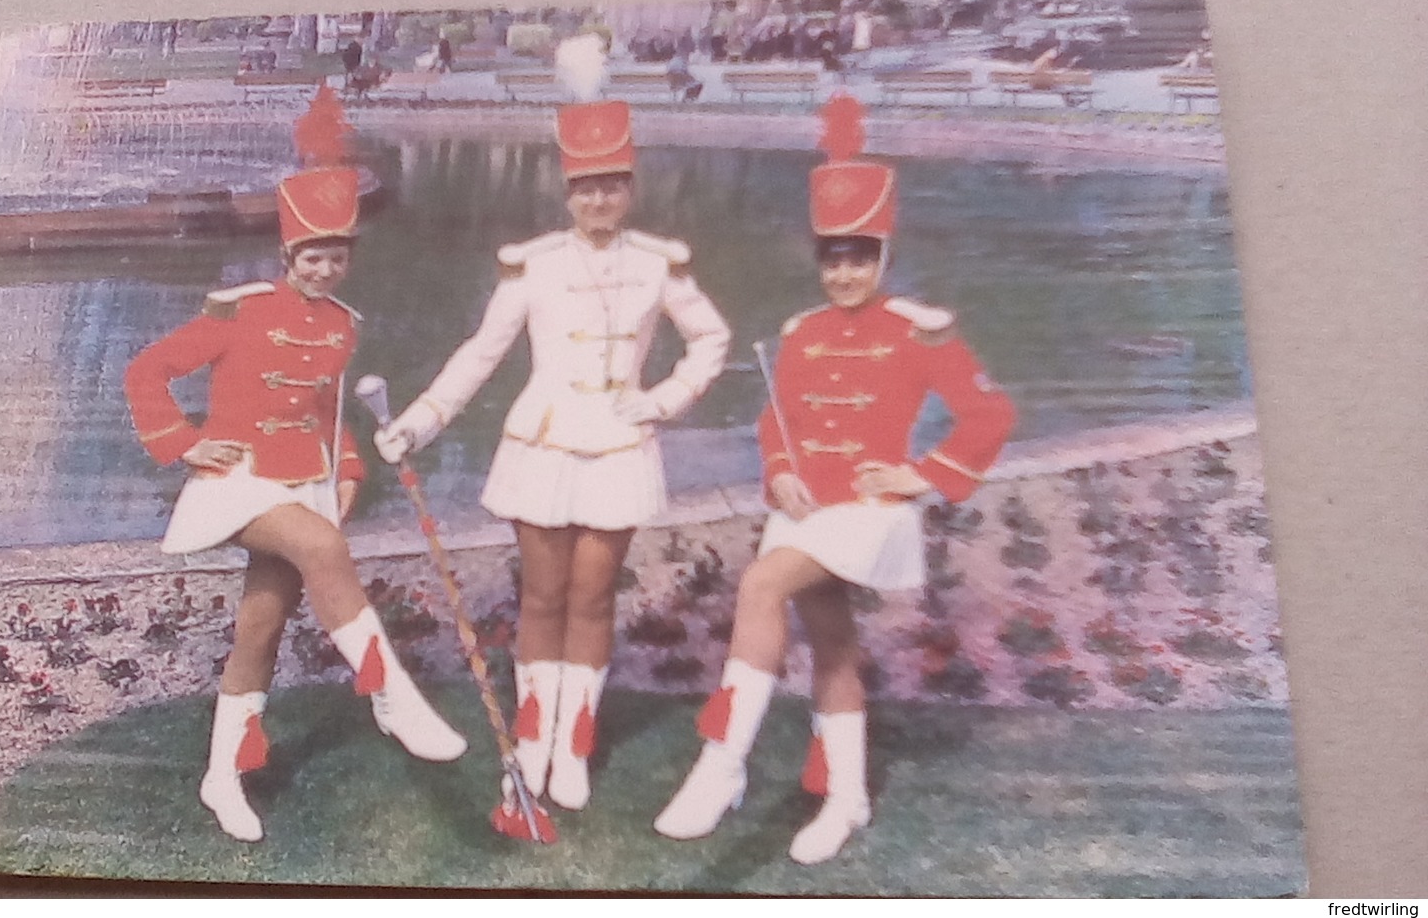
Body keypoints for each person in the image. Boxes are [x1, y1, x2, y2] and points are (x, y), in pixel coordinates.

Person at [654, 93, 1015, 864]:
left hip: (869, 506)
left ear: (883, 256)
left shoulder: (919, 331)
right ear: (816, 258)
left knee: (759, 586)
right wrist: (778, 471)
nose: (844, 272)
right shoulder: (800, 334)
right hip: (806, 508)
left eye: (860, 256)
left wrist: (919, 475)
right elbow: (771, 422)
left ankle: (721, 765)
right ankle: (847, 799)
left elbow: (988, 418)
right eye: (832, 257)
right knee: (832, 643)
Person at [124, 88, 466, 844]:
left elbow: (325, 409)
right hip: (239, 482)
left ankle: (222, 777)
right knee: (321, 547)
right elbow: (147, 371)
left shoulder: (343, 328)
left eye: (335, 257)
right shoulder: (241, 310)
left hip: (302, 477)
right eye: (311, 256)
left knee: (261, 630)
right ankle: (390, 697)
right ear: (288, 257)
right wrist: (182, 443)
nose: (323, 268)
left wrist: (346, 469)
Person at [375, 97, 731, 814]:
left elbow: (712, 340)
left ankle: (575, 739)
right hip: (540, 442)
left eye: (611, 184)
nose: (598, 198)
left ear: (629, 189)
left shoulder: (660, 265)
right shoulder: (530, 267)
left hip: (620, 444)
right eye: (584, 186)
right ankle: (535, 731)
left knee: (593, 594)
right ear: (566, 191)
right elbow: (481, 353)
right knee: (540, 594)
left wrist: (663, 398)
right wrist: (419, 421)